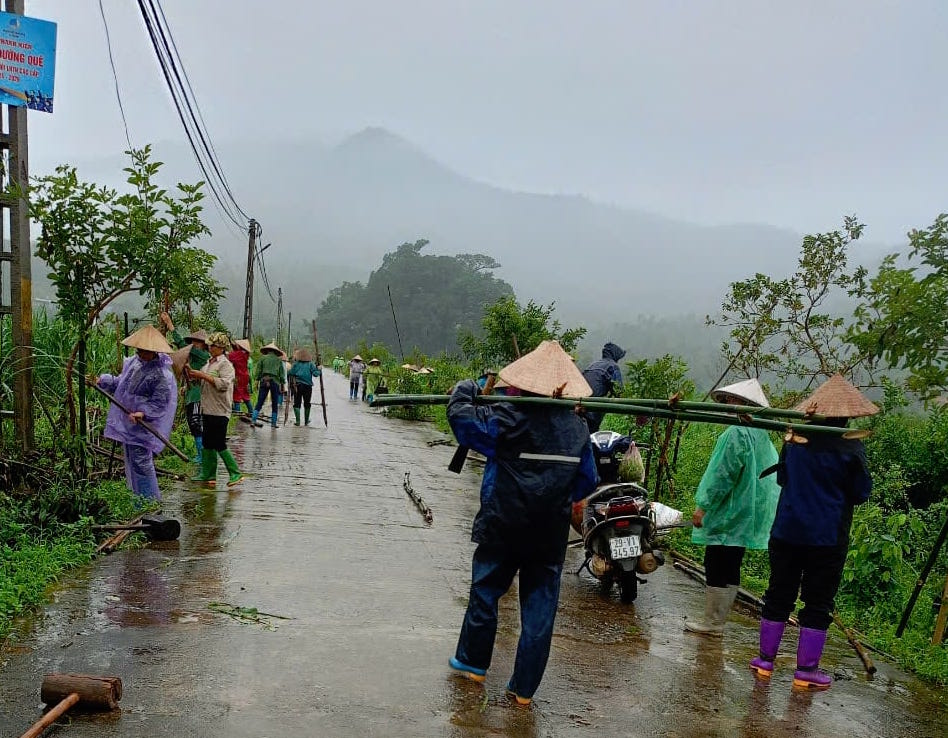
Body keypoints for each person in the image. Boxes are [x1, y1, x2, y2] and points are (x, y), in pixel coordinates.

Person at [446, 340, 598, 706]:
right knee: (540, 609)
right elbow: (587, 481)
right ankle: (523, 690)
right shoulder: (577, 429)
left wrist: (464, 390)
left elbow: (464, 423)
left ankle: (472, 664)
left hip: (503, 523)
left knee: (485, 592)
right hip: (548, 534)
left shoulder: (506, 418)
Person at [750, 374, 878, 691]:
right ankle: (805, 671)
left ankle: (765, 662)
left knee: (778, 593)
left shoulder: (795, 441)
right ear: (849, 415)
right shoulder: (852, 449)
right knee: (818, 602)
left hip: (786, 531)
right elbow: (861, 493)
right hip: (827, 537)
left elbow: (782, 480)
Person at [684, 379, 780, 637]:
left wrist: (703, 506)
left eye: (729, 401)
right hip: (746, 514)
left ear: (742, 403)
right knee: (732, 564)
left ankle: (712, 622)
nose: (727, 405)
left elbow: (721, 474)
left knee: (716, 562)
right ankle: (718, 620)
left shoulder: (736, 433)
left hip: (728, 511)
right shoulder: (762, 435)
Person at [96, 325, 177, 503]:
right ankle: (137, 498)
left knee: (142, 462)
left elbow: (160, 402)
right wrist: (102, 381)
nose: (140, 353)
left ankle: (150, 501)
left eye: (144, 351)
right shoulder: (135, 364)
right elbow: (121, 383)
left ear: (153, 351)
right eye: (139, 350)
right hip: (129, 423)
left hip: (143, 426)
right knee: (132, 461)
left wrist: (143, 413)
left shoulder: (160, 374)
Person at [186, 332, 244, 488]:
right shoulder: (208, 363)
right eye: (210, 345)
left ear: (220, 347)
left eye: (213, 345)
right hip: (208, 408)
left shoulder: (225, 365)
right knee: (207, 442)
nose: (210, 347)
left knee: (218, 443)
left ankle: (235, 473)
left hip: (220, 409)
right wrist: (192, 379)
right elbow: (203, 380)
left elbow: (224, 384)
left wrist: (203, 376)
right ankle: (209, 474)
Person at [160, 313, 210, 464]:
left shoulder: (201, 354)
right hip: (191, 393)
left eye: (197, 342)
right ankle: (201, 454)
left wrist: (170, 325)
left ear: (202, 344)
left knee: (196, 423)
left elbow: (181, 344)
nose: (194, 344)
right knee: (193, 423)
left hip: (197, 394)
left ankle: (202, 456)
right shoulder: (195, 357)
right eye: (193, 342)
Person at [581, 342, 626, 432]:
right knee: (591, 435)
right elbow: (618, 391)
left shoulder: (593, 365)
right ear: (615, 355)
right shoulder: (613, 366)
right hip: (593, 408)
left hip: (579, 405)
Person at [251, 342, 286, 428]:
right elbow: (282, 375)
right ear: (275, 352)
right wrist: (282, 385)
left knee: (260, 401)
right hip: (275, 382)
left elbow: (258, 372)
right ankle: (273, 423)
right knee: (274, 402)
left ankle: (253, 420)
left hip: (264, 380)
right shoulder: (279, 360)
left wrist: (256, 382)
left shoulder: (262, 358)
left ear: (267, 351)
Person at [288, 348, 321, 425]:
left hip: (298, 386)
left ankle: (298, 421)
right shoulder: (310, 364)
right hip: (307, 387)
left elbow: (291, 373)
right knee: (307, 403)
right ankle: (306, 421)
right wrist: (319, 370)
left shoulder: (296, 364)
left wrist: (289, 370)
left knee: (297, 402)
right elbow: (315, 374)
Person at [229, 338, 254, 416]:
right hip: (245, 376)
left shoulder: (239, 353)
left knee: (237, 394)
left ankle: (237, 413)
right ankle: (251, 411)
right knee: (245, 394)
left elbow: (229, 356)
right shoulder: (245, 354)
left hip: (239, 376)